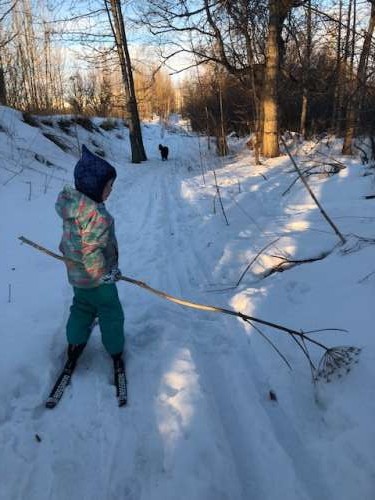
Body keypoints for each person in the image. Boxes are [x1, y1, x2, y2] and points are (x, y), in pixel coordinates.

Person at [55, 144, 126, 404]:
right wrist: (105, 275)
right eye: (108, 186)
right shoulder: (98, 217)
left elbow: (72, 242)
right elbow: (92, 251)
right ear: (95, 187)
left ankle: (74, 342)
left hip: (76, 276)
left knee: (81, 308)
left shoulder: (72, 207)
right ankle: (115, 348)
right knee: (110, 312)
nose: (111, 190)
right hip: (98, 280)